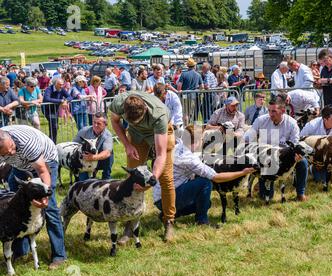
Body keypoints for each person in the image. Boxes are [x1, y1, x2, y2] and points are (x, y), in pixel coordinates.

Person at [153, 125, 255, 226]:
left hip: (159, 197)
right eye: (202, 139)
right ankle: (202, 221)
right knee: (205, 182)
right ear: (196, 142)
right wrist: (243, 173)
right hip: (166, 198)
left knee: (206, 204)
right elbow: (216, 178)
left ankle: (167, 214)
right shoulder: (189, 159)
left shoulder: (178, 144)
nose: (203, 141)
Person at [109, 91, 176, 242]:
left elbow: (160, 155)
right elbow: (114, 121)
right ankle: (129, 222)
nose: (136, 122)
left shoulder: (159, 115)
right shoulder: (119, 102)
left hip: (159, 133)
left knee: (165, 178)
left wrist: (152, 179)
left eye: (138, 120)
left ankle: (169, 221)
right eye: (133, 121)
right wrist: (127, 145)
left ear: (145, 109)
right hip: (136, 136)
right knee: (131, 178)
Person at [0, 125, 66, 270]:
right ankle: (20, 251)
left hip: (46, 162)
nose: (11, 151)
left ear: (11, 139)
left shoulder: (27, 142)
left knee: (49, 209)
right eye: (7, 153)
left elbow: (42, 171)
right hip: (20, 167)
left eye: (11, 147)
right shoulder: (7, 150)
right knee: (15, 207)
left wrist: (44, 197)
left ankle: (59, 255)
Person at [244, 96, 309, 202]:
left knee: (303, 162)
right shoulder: (261, 120)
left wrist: (297, 156)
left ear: (283, 110)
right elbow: (248, 136)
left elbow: (295, 144)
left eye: (274, 111)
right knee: (266, 197)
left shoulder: (292, 124)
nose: (270, 114)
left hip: (285, 156)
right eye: (269, 110)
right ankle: (262, 182)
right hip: (265, 157)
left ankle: (300, 193)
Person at [300, 105, 332, 184]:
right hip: (317, 158)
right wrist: (313, 160)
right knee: (320, 179)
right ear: (325, 119)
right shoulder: (312, 125)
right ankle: (312, 168)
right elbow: (301, 141)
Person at [75, 112, 114, 181]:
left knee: (110, 154)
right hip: (84, 160)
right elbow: (74, 146)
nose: (95, 125)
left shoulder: (108, 135)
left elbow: (107, 152)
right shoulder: (84, 131)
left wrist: (93, 157)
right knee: (83, 182)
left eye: (99, 123)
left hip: (99, 160)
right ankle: (81, 177)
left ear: (105, 125)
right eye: (94, 122)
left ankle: (106, 177)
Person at [43, 78, 72, 143]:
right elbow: (47, 98)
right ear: (55, 84)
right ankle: (52, 142)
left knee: (55, 127)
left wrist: (66, 101)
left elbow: (70, 97)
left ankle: (52, 142)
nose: (61, 86)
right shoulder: (49, 89)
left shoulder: (62, 89)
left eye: (62, 84)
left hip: (55, 109)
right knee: (54, 126)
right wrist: (61, 101)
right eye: (59, 84)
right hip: (48, 109)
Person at [177, 58, 203, 125]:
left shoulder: (183, 74)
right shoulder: (198, 75)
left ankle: (186, 127)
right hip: (194, 95)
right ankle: (190, 127)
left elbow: (179, 87)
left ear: (187, 66)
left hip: (185, 95)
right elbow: (201, 87)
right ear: (194, 66)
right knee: (192, 112)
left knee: (185, 112)